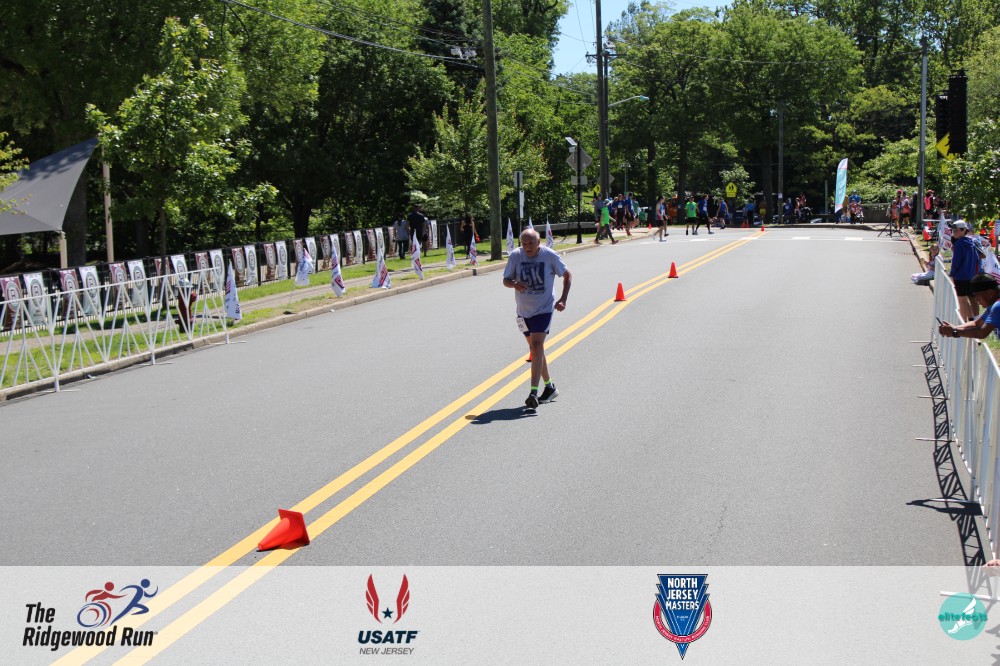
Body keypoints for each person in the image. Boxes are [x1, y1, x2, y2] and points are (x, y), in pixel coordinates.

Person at [502, 228, 572, 409]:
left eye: (531, 243)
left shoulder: (549, 255)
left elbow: (567, 274)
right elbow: (505, 280)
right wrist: (514, 284)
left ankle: (533, 392)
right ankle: (550, 387)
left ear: (539, 242)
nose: (527, 247)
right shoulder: (516, 256)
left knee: (537, 345)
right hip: (523, 311)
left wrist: (563, 299)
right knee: (535, 350)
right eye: (524, 243)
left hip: (544, 308)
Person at [937, 274, 1000, 341]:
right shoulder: (993, 304)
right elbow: (977, 324)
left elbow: (982, 332)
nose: (977, 301)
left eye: (978, 296)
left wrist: (954, 332)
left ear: (990, 293)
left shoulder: (998, 306)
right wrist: (953, 328)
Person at [950, 220, 984, 321]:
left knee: (962, 300)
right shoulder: (972, 243)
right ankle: (975, 319)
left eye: (956, 230)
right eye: (953, 230)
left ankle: (963, 322)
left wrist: (952, 274)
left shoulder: (959, 244)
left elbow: (956, 261)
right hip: (971, 275)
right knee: (972, 298)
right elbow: (977, 258)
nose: (954, 232)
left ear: (964, 230)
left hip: (960, 276)